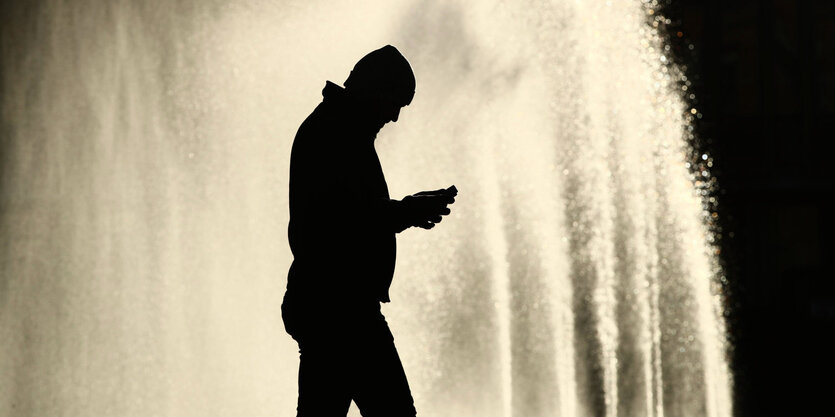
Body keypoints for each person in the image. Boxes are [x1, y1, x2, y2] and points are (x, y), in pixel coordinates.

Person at [281, 45, 457, 417]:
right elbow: (341, 221)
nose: (393, 117)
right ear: (374, 88)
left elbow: (351, 215)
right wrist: (408, 211)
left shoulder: (337, 129)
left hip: (331, 306)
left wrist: (408, 208)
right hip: (341, 310)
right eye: (395, 102)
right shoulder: (334, 133)